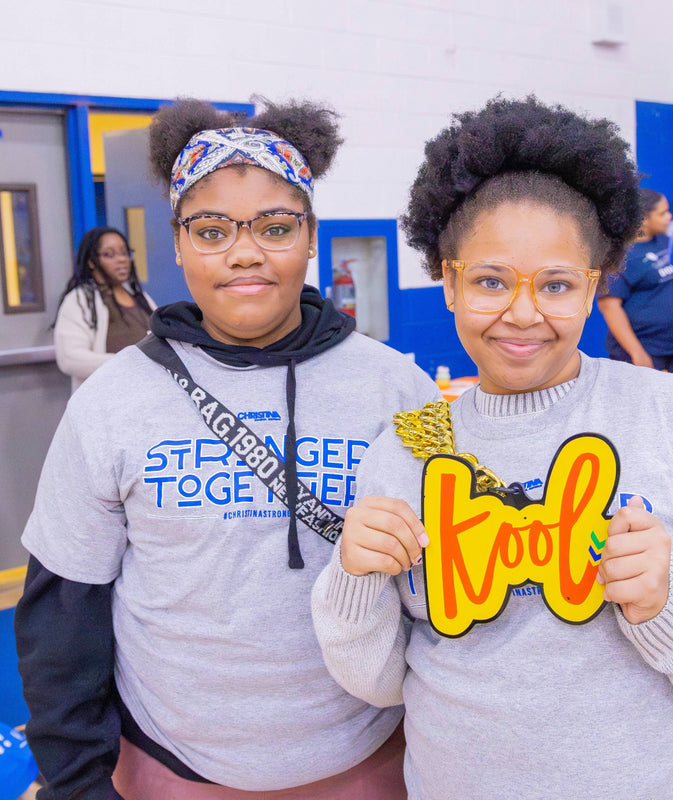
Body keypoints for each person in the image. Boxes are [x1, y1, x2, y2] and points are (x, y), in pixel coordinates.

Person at [311, 95, 673, 799]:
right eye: (489, 281)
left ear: (595, 285)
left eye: (558, 285)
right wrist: (355, 579)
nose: (522, 313)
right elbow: (381, 682)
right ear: (447, 281)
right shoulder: (406, 449)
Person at [15, 97, 440, 799]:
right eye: (211, 231)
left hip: (372, 761)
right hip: (170, 768)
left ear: (311, 237)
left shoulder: (400, 389)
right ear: (178, 243)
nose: (245, 252)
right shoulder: (111, 401)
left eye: (275, 227)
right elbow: (64, 614)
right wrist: (76, 784)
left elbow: (454, 581)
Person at [597, 187, 673, 374]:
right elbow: (609, 307)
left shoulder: (667, 241)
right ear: (643, 219)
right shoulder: (619, 255)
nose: (669, 217)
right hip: (647, 352)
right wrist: (637, 352)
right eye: (662, 213)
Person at [54, 226, 157, 392]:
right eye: (109, 254)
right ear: (91, 262)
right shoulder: (81, 300)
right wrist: (129, 363)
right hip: (107, 398)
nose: (122, 259)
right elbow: (70, 358)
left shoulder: (141, 298)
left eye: (124, 253)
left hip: (148, 394)